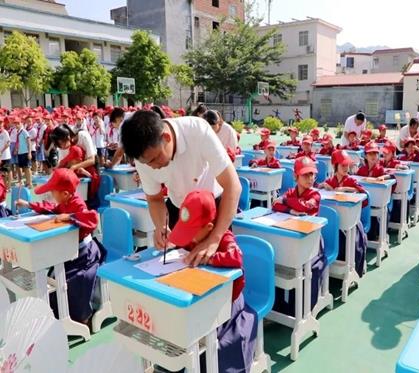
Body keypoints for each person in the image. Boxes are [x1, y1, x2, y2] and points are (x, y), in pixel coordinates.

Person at [120, 110, 241, 266]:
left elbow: (233, 186)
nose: (153, 167)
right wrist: (161, 226)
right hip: (180, 214)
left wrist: (214, 239)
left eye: (155, 158)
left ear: (166, 138)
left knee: (213, 272)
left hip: (212, 213)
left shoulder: (197, 130)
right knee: (181, 270)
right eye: (146, 163)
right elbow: (154, 199)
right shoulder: (144, 158)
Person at [168, 190, 257, 372]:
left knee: (221, 345)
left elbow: (236, 257)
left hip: (227, 305)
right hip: (198, 298)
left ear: (209, 227)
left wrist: (209, 258)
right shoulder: (193, 238)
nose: (188, 238)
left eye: (191, 232)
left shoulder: (224, 237)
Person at [16, 169, 102, 324]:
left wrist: (70, 217)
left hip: (85, 254)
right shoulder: (63, 203)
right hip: (69, 252)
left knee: (75, 282)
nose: (51, 195)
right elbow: (50, 208)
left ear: (66, 193)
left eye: (53, 192)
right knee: (56, 277)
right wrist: (29, 204)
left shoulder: (77, 203)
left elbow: (92, 218)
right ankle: (60, 314)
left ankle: (83, 318)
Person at [272, 157, 326, 313]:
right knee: (279, 262)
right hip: (292, 238)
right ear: (295, 176)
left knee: (311, 269)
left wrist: (286, 201)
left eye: (312, 175)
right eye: (305, 175)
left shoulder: (315, 194)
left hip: (312, 242)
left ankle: (304, 309)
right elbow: (275, 204)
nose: (310, 178)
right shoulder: (291, 192)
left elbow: (304, 207)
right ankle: (280, 307)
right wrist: (290, 210)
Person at [319, 150, 368, 276]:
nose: (346, 168)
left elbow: (363, 193)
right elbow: (318, 191)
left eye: (347, 165)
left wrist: (345, 189)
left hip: (351, 222)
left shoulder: (350, 180)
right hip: (334, 223)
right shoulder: (330, 181)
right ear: (335, 166)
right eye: (343, 165)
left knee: (353, 237)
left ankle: (351, 266)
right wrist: (325, 187)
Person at [50, 124, 100, 208]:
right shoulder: (63, 146)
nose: (62, 147)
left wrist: (74, 167)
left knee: (89, 199)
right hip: (76, 173)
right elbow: (63, 163)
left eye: (62, 143)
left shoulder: (83, 136)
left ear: (68, 136)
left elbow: (92, 160)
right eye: (59, 145)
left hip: (90, 168)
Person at [14, 116, 32, 188]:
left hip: (25, 152)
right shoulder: (17, 132)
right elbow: (18, 142)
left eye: (18, 123)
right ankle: (26, 182)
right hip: (20, 153)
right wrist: (16, 149)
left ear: (21, 123)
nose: (16, 125)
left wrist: (29, 152)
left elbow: (29, 142)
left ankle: (29, 183)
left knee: (27, 168)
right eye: (15, 123)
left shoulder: (24, 131)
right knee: (24, 168)